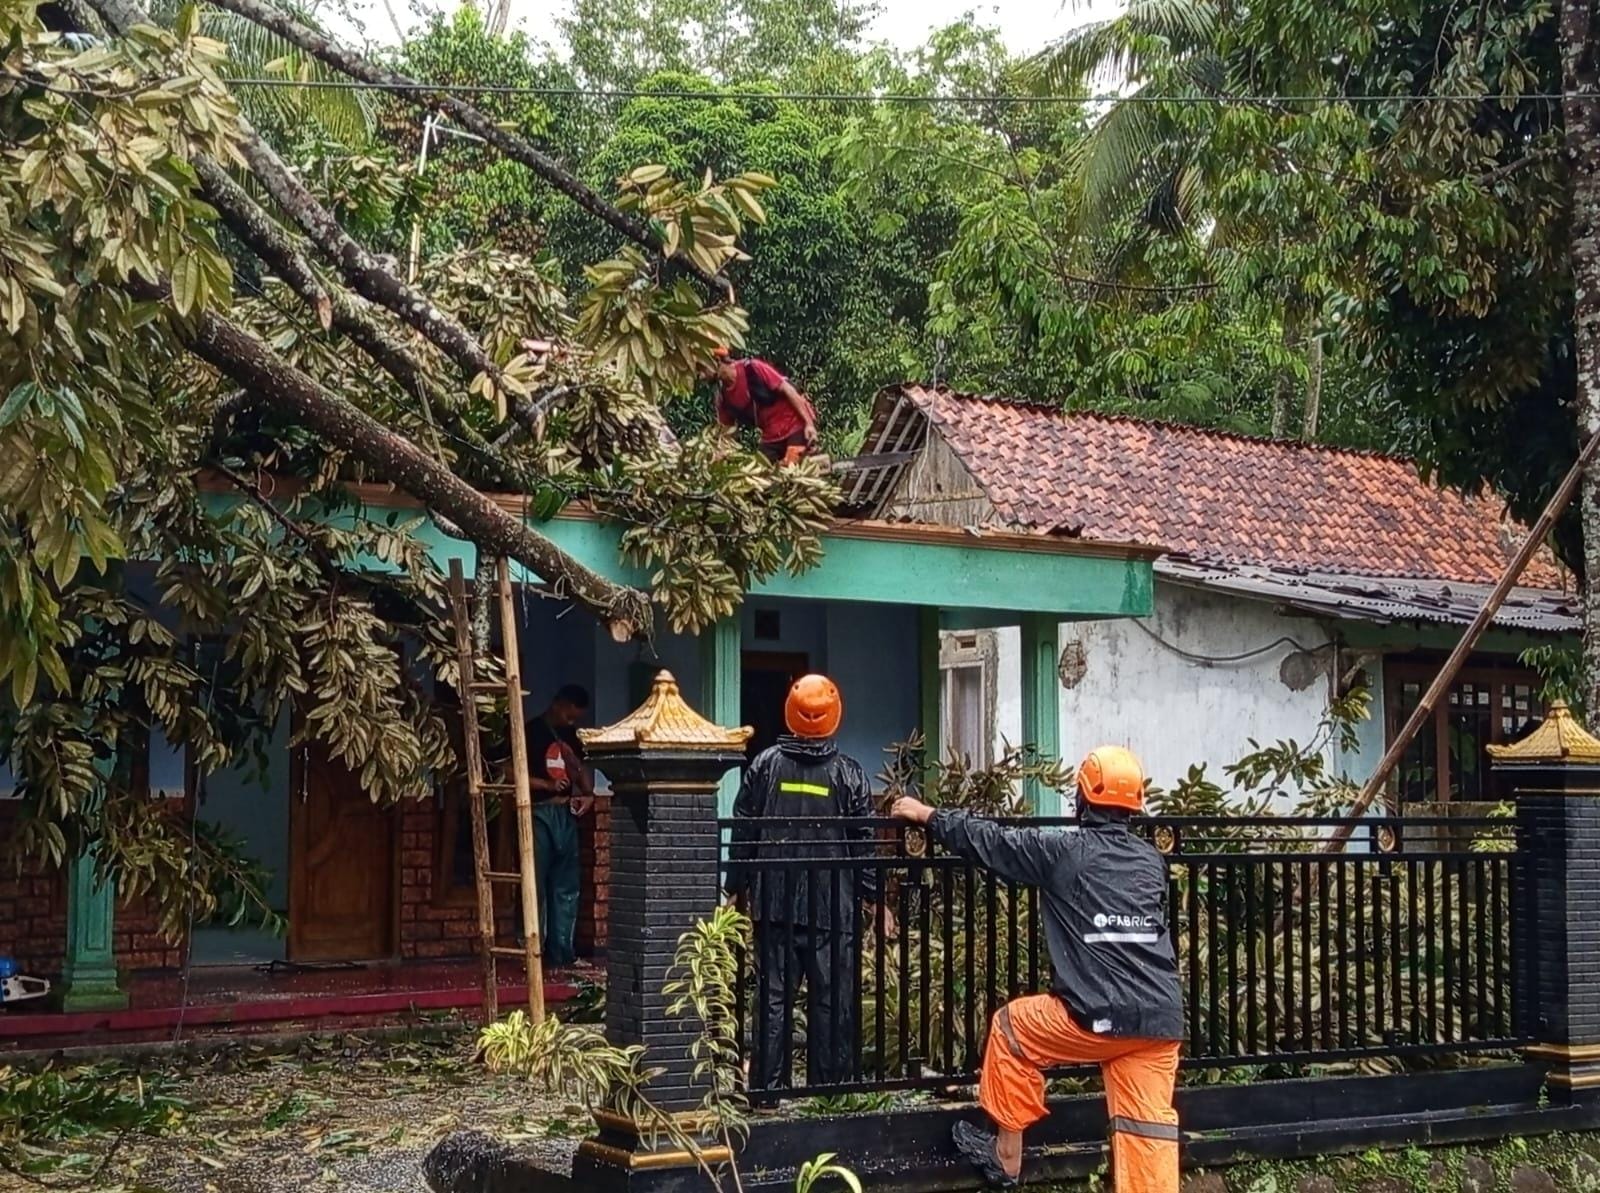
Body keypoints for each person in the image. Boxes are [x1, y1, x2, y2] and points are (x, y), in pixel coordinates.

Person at [890, 746, 1184, 1191]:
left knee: (1012, 1029)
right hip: (1158, 1023)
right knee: (1147, 1131)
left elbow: (993, 842)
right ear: (1135, 804)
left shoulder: (1065, 852)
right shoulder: (1151, 861)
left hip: (1095, 1017)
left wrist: (929, 815)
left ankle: (1006, 1156)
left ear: (1082, 799)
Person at [726, 674, 893, 1092]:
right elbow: (863, 844)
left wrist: (735, 887)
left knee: (773, 999)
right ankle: (830, 1091)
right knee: (832, 1001)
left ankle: (766, 1089)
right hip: (832, 909)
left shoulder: (764, 766)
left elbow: (744, 830)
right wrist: (874, 900)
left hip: (774, 904)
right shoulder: (850, 775)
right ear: (833, 716)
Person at [525, 684, 595, 968]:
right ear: (557, 703)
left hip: (565, 813)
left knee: (566, 885)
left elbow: (584, 779)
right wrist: (546, 784)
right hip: (538, 811)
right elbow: (509, 773)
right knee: (536, 883)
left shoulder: (571, 738)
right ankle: (533, 953)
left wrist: (588, 796)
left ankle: (562, 952)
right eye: (569, 716)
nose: (571, 722)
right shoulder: (531, 732)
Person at [698, 347, 819, 465]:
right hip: (770, 436)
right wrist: (721, 454)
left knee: (793, 467)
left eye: (703, 369)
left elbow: (788, 390)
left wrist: (809, 424)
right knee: (760, 475)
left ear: (717, 361)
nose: (701, 376)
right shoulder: (723, 398)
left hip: (794, 424)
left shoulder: (752, 368)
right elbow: (726, 433)